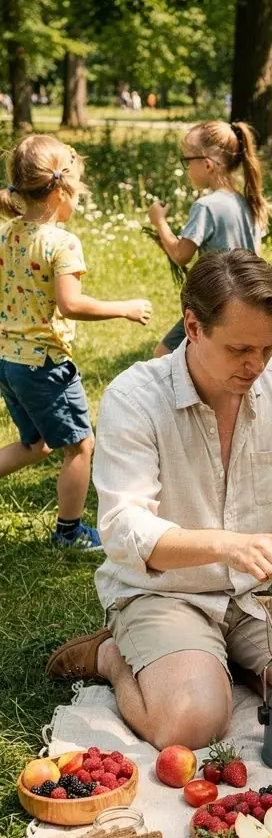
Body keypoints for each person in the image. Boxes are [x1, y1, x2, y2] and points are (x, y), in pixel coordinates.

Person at [45, 251, 272, 749]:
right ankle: (113, 656)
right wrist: (227, 545)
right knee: (193, 724)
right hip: (163, 592)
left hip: (259, 595)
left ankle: (227, 666)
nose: (257, 366)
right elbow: (124, 529)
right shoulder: (135, 397)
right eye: (240, 348)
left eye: (269, 348)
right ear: (193, 327)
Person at [0, 135, 152, 550]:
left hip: (8, 361)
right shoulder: (61, 242)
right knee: (81, 447)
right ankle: (69, 534)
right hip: (44, 365)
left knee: (36, 444)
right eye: (77, 192)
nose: (78, 202)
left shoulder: (8, 232)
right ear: (59, 190)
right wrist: (124, 307)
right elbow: (69, 305)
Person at [148, 119, 268, 357]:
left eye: (187, 161)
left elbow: (182, 255)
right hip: (247, 302)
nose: (187, 169)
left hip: (216, 303)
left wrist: (159, 221)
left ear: (207, 165)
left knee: (163, 356)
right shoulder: (247, 202)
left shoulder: (206, 206)